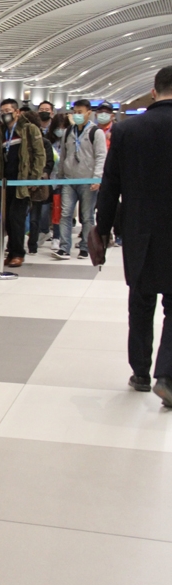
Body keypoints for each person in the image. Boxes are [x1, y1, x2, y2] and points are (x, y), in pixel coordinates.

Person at [95, 66, 172, 407]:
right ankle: (167, 375)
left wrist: (102, 227)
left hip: (140, 229)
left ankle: (140, 371)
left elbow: (111, 183)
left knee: (141, 300)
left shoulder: (128, 130)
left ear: (154, 92)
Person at [54, 98, 107, 260]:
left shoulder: (95, 132)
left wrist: (97, 178)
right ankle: (64, 247)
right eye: (75, 112)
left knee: (87, 215)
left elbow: (100, 156)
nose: (77, 115)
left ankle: (85, 247)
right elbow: (63, 155)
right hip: (69, 180)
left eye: (80, 112)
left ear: (88, 113)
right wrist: (60, 177)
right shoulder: (68, 132)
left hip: (87, 180)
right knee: (65, 213)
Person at [0, 97, 46, 267]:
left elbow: (40, 155)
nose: (5, 115)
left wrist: (34, 178)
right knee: (7, 218)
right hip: (5, 182)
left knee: (17, 218)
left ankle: (18, 252)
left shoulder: (29, 129)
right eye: (2, 112)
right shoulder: (1, 132)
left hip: (21, 183)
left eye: (8, 111)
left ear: (17, 112)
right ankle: (11, 250)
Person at [22, 110, 56, 255]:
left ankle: (32, 244)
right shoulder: (19, 140)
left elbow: (48, 162)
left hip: (38, 183)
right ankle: (16, 242)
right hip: (20, 182)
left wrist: (38, 178)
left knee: (35, 216)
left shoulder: (44, 142)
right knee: (19, 215)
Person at [47, 112, 70, 251]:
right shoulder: (49, 142)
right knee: (47, 211)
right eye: (58, 127)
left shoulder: (70, 141)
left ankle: (58, 236)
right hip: (50, 179)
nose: (60, 130)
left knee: (60, 209)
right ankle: (46, 231)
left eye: (63, 127)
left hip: (65, 180)